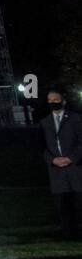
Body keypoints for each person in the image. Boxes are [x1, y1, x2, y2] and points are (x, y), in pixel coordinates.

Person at [41, 90, 82, 239]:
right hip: (57, 171)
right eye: (50, 100)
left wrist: (72, 158)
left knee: (78, 201)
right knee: (62, 204)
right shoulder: (45, 122)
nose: (53, 102)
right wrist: (52, 160)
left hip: (76, 168)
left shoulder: (76, 119)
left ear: (63, 101)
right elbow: (42, 147)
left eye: (56, 99)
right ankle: (67, 233)